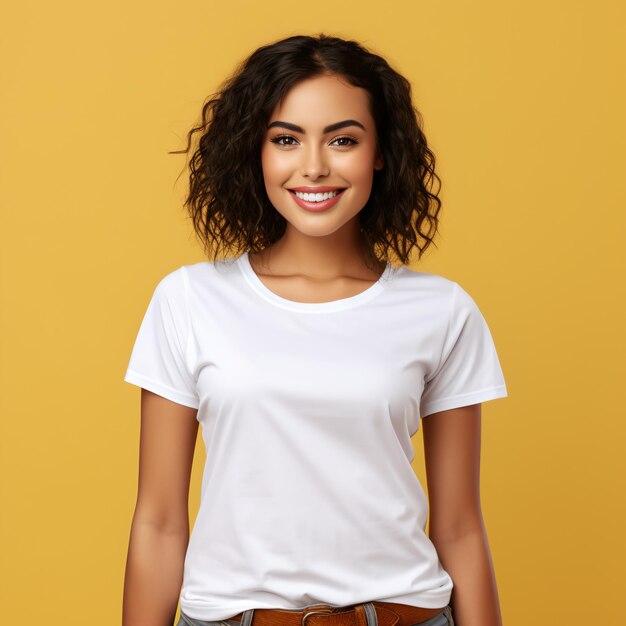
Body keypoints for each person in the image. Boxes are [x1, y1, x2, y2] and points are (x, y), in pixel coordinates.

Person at [121, 34, 508, 626]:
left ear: (380, 152)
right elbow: (159, 520)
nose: (315, 166)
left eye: (343, 139)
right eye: (286, 139)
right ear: (256, 151)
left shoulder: (442, 311)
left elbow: (459, 526)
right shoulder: (189, 300)